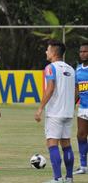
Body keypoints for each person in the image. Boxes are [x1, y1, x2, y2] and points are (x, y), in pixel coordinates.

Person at [35, 40, 75, 183]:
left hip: (55, 113)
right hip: (68, 113)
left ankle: (57, 178)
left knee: (52, 144)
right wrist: (70, 104)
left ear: (53, 52)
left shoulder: (50, 68)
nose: (46, 52)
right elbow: (76, 91)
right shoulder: (71, 69)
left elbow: (50, 88)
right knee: (66, 145)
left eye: (47, 49)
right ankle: (69, 178)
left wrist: (40, 108)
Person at [73, 43, 88, 175]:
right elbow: (77, 89)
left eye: (86, 51)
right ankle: (83, 166)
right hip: (83, 108)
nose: (83, 53)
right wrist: (71, 104)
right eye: (81, 51)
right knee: (81, 135)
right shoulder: (77, 70)